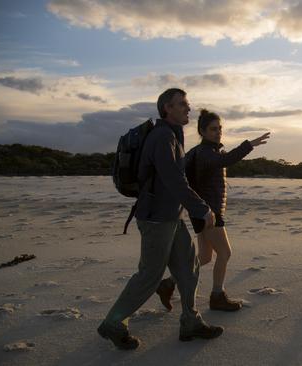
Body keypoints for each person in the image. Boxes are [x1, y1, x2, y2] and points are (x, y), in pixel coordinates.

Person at [97, 88, 223, 350]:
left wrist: (189, 208)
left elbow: (178, 181)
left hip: (171, 216)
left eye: (187, 104)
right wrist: (201, 209)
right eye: (183, 104)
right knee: (150, 276)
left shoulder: (173, 135)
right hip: (156, 219)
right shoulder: (162, 137)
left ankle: (190, 321)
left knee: (189, 268)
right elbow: (175, 181)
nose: (188, 108)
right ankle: (113, 323)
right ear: (167, 108)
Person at [156, 109, 270, 312]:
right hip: (209, 212)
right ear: (202, 131)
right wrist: (249, 145)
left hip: (202, 211)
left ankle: (168, 284)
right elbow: (225, 161)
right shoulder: (206, 153)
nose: (218, 132)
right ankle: (217, 296)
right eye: (213, 129)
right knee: (225, 253)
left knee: (206, 257)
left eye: (220, 128)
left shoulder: (204, 152)